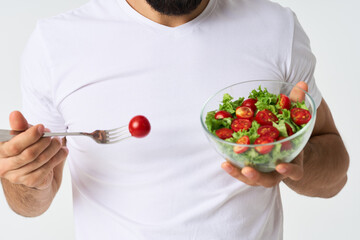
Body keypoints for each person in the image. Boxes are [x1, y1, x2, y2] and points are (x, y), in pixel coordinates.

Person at [0, 0, 349, 239]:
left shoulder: (275, 28)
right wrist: (26, 179)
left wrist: (294, 155)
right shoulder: (55, 43)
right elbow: (30, 203)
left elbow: (335, 175)